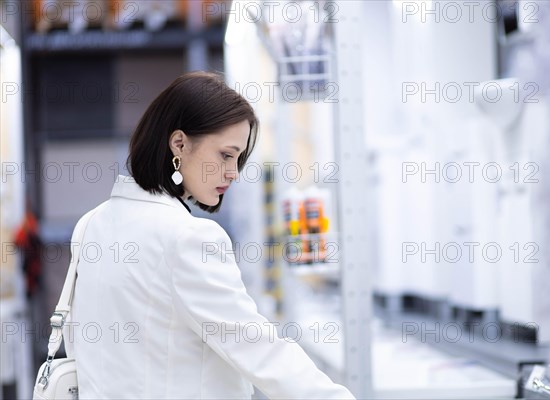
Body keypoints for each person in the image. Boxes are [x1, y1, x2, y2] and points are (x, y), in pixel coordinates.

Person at [63, 72, 355, 399]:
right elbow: (258, 348)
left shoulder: (91, 224)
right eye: (226, 155)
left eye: (239, 158)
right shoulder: (188, 238)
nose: (234, 172)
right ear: (179, 144)